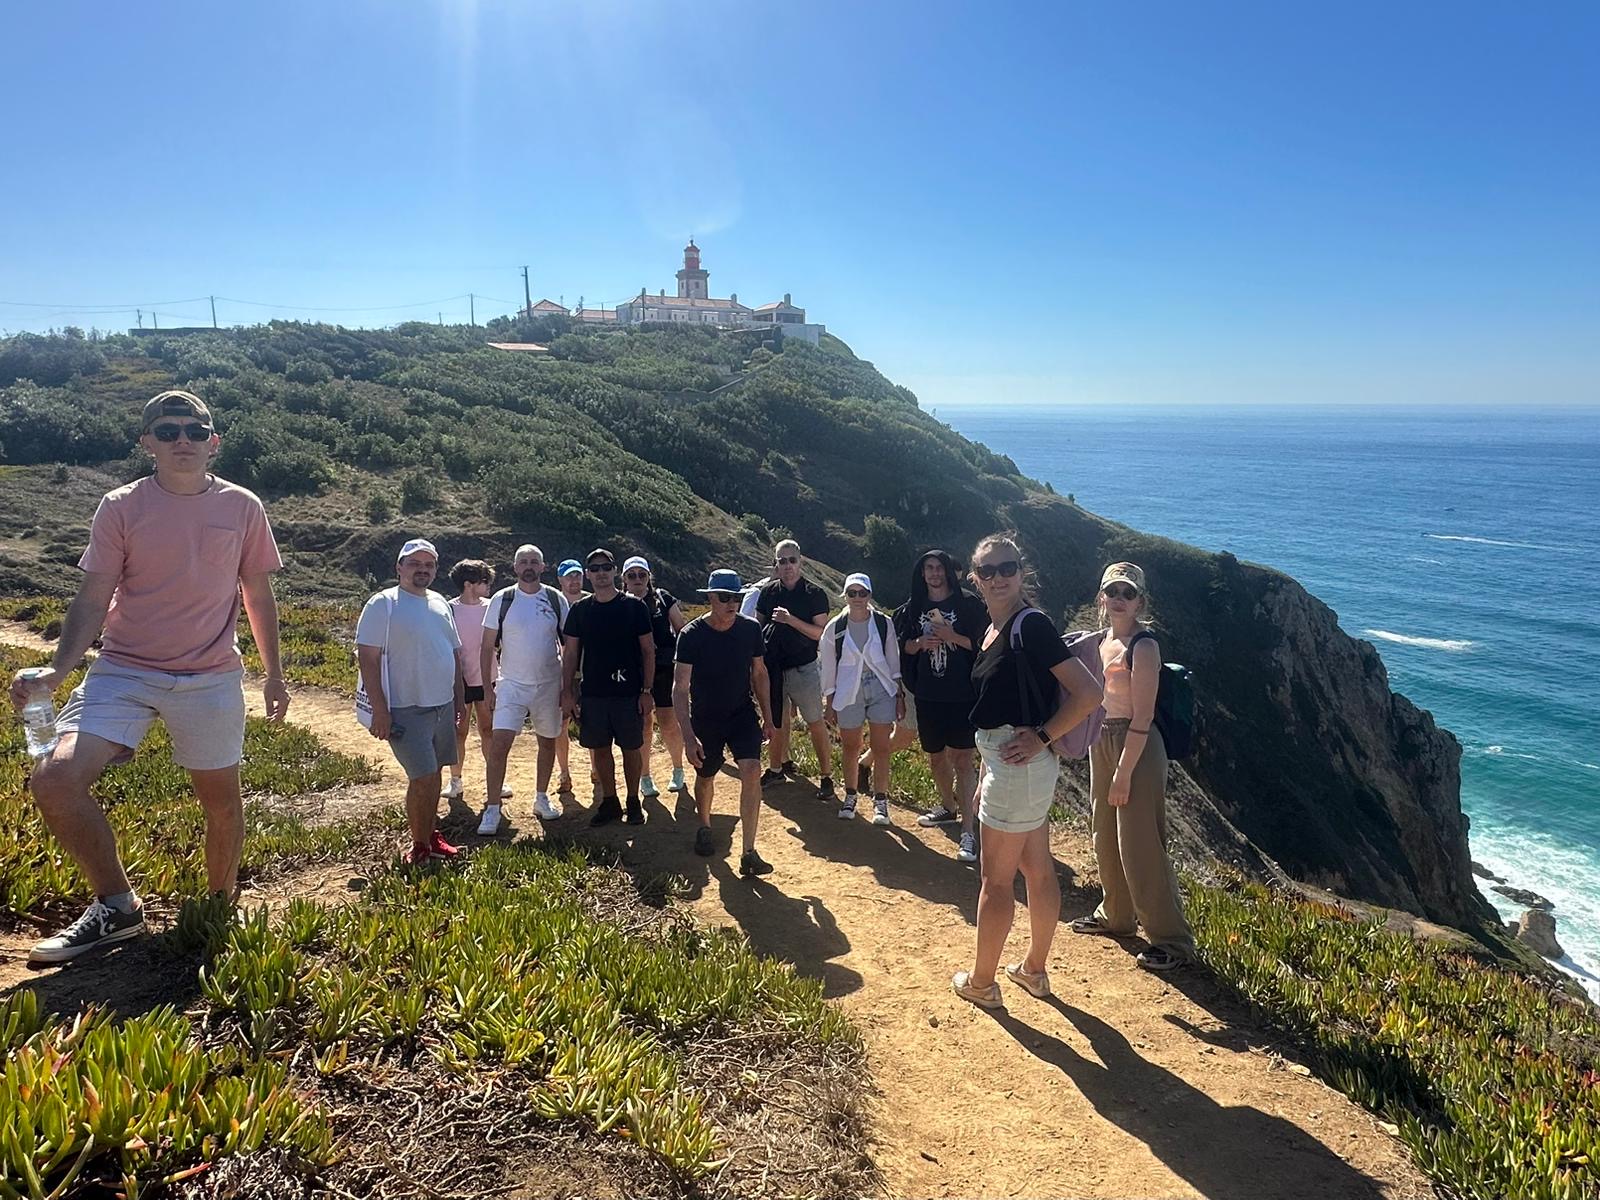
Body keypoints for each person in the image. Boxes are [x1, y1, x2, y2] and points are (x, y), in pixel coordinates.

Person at [6, 390, 288, 965]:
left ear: (214, 442)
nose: (180, 439)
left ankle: (217, 909)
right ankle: (117, 907)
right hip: (125, 668)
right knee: (55, 779)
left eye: (192, 429)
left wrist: (274, 675)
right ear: (147, 443)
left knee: (221, 803)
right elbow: (93, 595)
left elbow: (257, 594)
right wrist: (59, 669)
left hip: (210, 675)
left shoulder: (242, 507)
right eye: (166, 431)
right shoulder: (120, 506)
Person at [952, 534, 1102, 1009]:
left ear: (1021, 571)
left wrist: (1040, 736)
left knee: (995, 882)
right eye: (988, 570)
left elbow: (1089, 694)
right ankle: (1033, 972)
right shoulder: (997, 627)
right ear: (975, 579)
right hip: (1018, 766)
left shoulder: (1029, 626)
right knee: (1037, 869)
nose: (998, 577)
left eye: (1007, 568)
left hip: (1020, 763)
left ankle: (982, 982)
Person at [1070, 563, 1196, 972]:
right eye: (1112, 591)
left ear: (1140, 601)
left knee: (1139, 841)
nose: (1119, 599)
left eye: (1128, 593)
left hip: (1136, 746)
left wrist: (1124, 772)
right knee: (1103, 830)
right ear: (1101, 597)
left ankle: (1172, 940)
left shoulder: (1144, 647)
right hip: (1101, 738)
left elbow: (1142, 718)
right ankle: (1117, 916)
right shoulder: (1099, 641)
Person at [356, 538, 468, 865]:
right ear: (400, 568)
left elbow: (454, 654)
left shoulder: (440, 603)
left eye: (429, 564)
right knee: (421, 777)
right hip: (406, 709)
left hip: (442, 705)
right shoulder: (383, 604)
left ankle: (430, 835)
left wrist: (459, 700)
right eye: (415, 563)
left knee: (434, 774)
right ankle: (419, 845)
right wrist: (380, 709)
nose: (422, 569)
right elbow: (368, 658)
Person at [673, 570, 778, 876]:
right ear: (710, 598)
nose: (732, 603)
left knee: (752, 770)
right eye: (725, 597)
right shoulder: (691, 635)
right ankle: (705, 825)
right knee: (706, 776)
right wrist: (689, 737)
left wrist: (768, 717)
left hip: (741, 712)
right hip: (706, 717)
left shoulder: (750, 630)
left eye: (737, 598)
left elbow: (759, 673)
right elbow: (680, 689)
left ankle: (749, 851)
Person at [896, 549, 989, 863]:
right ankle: (948, 808)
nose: (934, 573)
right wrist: (920, 643)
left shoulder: (969, 605)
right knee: (935, 759)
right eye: (929, 568)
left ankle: (968, 831)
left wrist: (953, 636)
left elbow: (984, 645)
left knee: (962, 760)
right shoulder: (913, 607)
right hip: (927, 694)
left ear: (948, 571)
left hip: (962, 695)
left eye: (939, 568)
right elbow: (903, 646)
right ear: (922, 574)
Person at [476, 545, 570, 834]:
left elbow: (569, 646)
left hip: (548, 684)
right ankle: (492, 808)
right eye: (523, 562)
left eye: (534, 562)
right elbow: (486, 646)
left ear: (543, 567)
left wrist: (568, 687)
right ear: (515, 567)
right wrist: (487, 688)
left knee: (547, 742)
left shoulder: (556, 599)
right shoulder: (502, 600)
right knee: (499, 744)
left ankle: (541, 798)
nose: (529, 566)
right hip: (511, 685)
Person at [561, 548, 654, 826]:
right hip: (594, 693)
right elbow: (571, 654)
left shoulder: (635, 607)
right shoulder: (580, 610)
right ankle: (610, 801)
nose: (601, 573)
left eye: (606, 567)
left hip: (629, 693)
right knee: (600, 749)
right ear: (588, 574)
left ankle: (633, 801)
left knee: (631, 749)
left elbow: (648, 650)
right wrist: (568, 692)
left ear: (615, 571)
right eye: (595, 568)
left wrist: (647, 691)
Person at [819, 573, 904, 825]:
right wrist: (829, 700)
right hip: (848, 691)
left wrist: (898, 694)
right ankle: (851, 796)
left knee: (881, 747)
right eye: (852, 593)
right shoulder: (834, 627)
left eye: (862, 593)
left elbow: (893, 660)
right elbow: (828, 667)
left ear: (869, 595)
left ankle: (881, 802)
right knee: (850, 746)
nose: (857, 598)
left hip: (880, 688)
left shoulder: (883, 622)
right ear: (845, 595)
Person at [753, 540, 835, 799]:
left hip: (804, 669)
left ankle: (826, 776)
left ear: (801, 562)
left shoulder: (814, 594)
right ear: (775, 563)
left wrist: (791, 620)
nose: (787, 565)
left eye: (792, 560)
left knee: (815, 722)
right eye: (782, 560)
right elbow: (758, 627)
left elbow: (820, 633)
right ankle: (776, 768)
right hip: (773, 668)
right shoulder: (767, 592)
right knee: (776, 721)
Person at [621, 555, 688, 798]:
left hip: (663, 669)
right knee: (644, 725)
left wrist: (684, 663)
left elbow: (682, 629)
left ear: (649, 577)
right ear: (624, 580)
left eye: (642, 574)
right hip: (634, 672)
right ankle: (645, 776)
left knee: (669, 722)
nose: (637, 580)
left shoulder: (663, 598)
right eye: (632, 575)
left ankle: (678, 769)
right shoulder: (620, 604)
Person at [444, 559, 509, 806]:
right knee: (458, 731)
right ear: (469, 584)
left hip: (488, 678)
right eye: (485, 581)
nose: (490, 585)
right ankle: (455, 779)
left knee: (488, 730)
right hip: (458, 681)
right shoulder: (448, 609)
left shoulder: (492, 607)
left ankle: (496, 781)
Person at [553, 558, 588, 795]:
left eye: (577, 575)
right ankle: (564, 773)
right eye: (569, 576)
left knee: (592, 722)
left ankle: (596, 770)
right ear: (560, 580)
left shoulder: (592, 601)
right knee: (560, 724)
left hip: (589, 671)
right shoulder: (552, 602)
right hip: (559, 671)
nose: (573, 581)